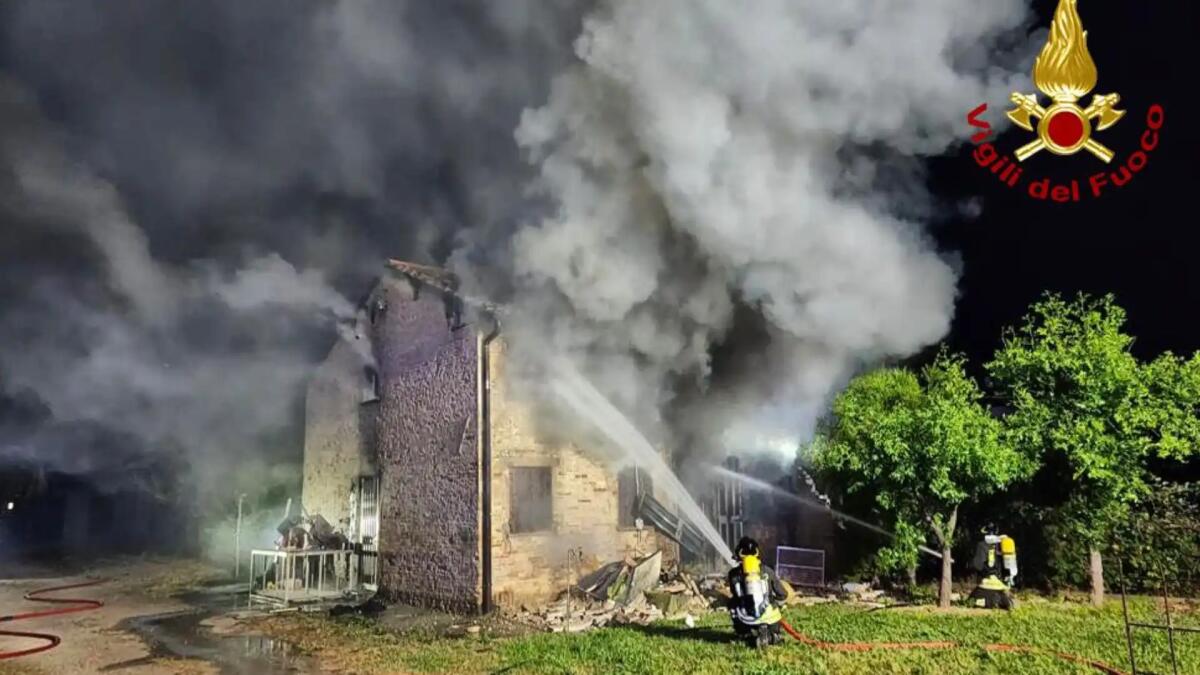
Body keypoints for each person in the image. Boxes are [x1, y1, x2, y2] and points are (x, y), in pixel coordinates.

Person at [727, 536, 789, 648]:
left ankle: (744, 634)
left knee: (731, 603)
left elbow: (735, 595)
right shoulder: (768, 571)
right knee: (775, 607)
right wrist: (776, 604)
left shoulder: (733, 574)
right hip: (771, 620)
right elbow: (783, 594)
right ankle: (772, 635)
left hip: (746, 621)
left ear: (739, 554)